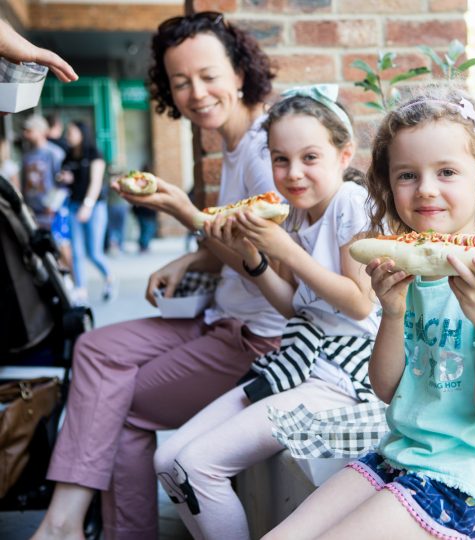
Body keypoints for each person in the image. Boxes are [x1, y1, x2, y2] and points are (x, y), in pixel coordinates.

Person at [264, 87, 475, 540]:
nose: (425, 189)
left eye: (446, 171)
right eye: (407, 175)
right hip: (398, 457)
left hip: (468, 482)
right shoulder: (410, 273)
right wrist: (392, 311)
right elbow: (388, 390)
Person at [33, 11, 284, 540]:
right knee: (96, 348)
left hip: (260, 339)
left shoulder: (268, 153)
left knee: (120, 406)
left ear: (240, 73)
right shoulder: (235, 146)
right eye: (181, 81)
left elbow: (273, 267)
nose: (196, 92)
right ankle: (64, 521)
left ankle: (76, 528)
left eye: (209, 75)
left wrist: (182, 212)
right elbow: (231, 243)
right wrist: (191, 258)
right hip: (219, 315)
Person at [153, 84, 380, 540]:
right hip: (304, 362)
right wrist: (255, 257)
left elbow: (359, 301)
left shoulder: (349, 205)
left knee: (197, 466)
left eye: (309, 158)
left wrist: (286, 252)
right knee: (168, 460)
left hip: (346, 375)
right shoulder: (298, 215)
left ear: (344, 154)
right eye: (280, 159)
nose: (293, 173)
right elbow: (294, 307)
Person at [59, 119, 116, 303]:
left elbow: (96, 182)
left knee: (94, 252)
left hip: (94, 207)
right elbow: (67, 177)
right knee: (76, 252)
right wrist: (64, 178)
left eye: (72, 132)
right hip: (73, 206)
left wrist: (88, 205)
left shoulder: (94, 154)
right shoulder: (68, 155)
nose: (68, 136)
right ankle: (81, 289)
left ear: (82, 133)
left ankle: (109, 278)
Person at [21, 114, 65, 229]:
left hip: (50, 209)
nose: (25, 134)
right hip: (32, 209)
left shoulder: (55, 153)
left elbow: (62, 183)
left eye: (29, 131)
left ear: (41, 131)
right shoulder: (27, 155)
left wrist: (53, 205)